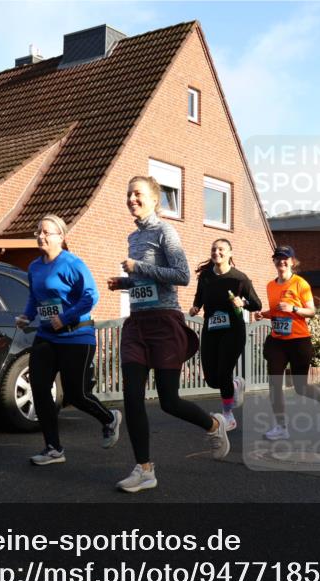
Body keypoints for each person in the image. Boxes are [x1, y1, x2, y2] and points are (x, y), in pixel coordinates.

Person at [106, 176, 230, 493]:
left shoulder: (165, 232)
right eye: (129, 194)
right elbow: (143, 279)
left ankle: (214, 425)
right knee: (131, 397)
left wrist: (139, 268)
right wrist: (124, 283)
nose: (132, 199)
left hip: (163, 322)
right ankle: (144, 469)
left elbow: (182, 276)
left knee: (169, 401)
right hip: (137, 324)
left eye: (138, 194)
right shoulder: (133, 237)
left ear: (154, 199)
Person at [16, 214, 121, 466]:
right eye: (38, 231)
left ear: (61, 237)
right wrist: (26, 316)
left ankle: (109, 418)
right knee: (39, 390)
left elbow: (91, 296)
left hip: (76, 336)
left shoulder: (72, 263)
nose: (40, 236)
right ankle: (53, 448)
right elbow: (35, 297)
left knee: (76, 394)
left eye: (46, 232)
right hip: (46, 337)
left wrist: (65, 317)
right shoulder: (34, 267)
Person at [254, 245, 320, 440]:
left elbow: (312, 312)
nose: (281, 261)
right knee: (274, 383)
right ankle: (281, 427)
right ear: (274, 261)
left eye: (285, 258)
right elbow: (276, 311)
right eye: (278, 258)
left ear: (292, 261)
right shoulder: (270, 286)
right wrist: (263, 314)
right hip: (277, 340)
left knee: (300, 387)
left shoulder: (301, 283)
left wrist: (293, 308)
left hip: (299, 340)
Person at [189, 239, 262, 431]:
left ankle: (228, 415)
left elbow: (257, 304)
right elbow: (199, 297)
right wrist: (196, 306)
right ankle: (235, 384)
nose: (216, 252)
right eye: (214, 249)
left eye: (221, 249)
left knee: (223, 372)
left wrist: (243, 303)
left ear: (230, 253)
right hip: (211, 331)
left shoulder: (240, 278)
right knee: (212, 379)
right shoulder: (205, 276)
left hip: (233, 331)